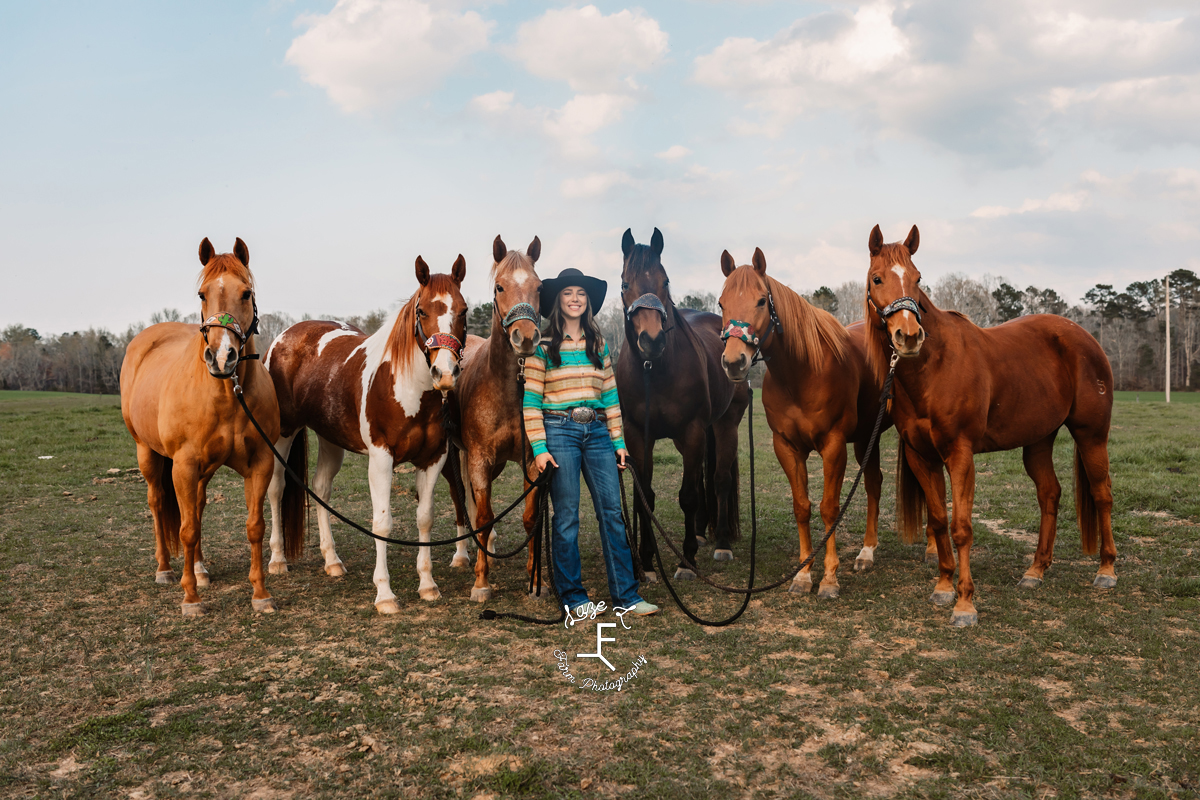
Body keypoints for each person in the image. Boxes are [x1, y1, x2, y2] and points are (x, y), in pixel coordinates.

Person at [523, 268, 659, 618]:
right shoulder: (542, 347)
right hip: (559, 431)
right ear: (558, 300)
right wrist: (540, 449)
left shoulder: (599, 345)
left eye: (581, 293)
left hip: (597, 432)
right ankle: (574, 598)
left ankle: (627, 595)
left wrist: (619, 442)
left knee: (612, 513)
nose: (575, 299)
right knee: (567, 516)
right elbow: (531, 403)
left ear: (588, 302)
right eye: (568, 293)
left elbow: (611, 397)